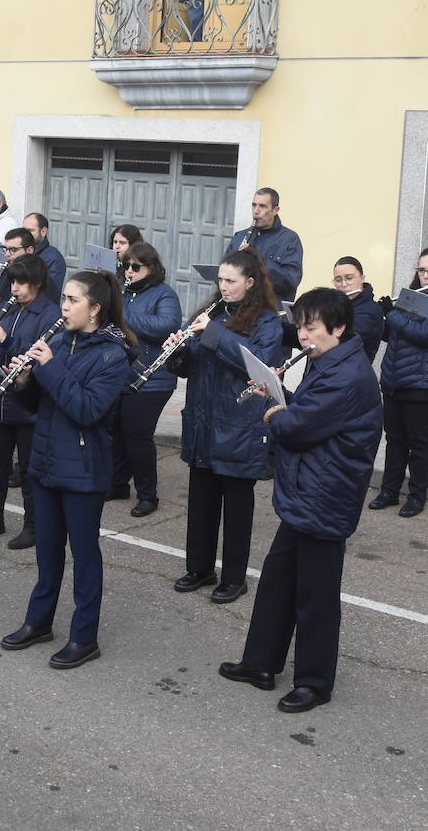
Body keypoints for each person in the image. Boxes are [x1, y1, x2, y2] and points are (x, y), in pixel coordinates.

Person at [219, 287, 383, 714]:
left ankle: (315, 682)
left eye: (311, 328)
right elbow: (309, 414)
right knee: (277, 583)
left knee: (315, 596)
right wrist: (277, 395)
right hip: (309, 491)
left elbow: (297, 427)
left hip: (326, 495)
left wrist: (275, 412)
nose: (303, 335)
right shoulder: (328, 360)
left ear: (339, 328)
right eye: (302, 326)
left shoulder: (346, 375)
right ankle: (260, 663)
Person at [0, 270, 132, 670]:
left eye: (73, 300)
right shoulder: (59, 339)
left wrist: (50, 368)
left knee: (85, 555)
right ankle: (38, 622)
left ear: (95, 309)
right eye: (64, 299)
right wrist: (23, 378)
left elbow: (87, 410)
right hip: (46, 459)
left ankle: (84, 636)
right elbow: (43, 400)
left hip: (84, 469)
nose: (64, 307)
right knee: (47, 550)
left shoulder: (113, 356)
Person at [168, 250, 283, 602]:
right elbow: (191, 367)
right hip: (203, 422)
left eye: (230, 281)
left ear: (250, 283)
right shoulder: (212, 314)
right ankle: (199, 568)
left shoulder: (267, 322)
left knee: (236, 511)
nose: (223, 286)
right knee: (201, 505)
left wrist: (213, 333)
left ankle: (234, 578)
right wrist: (177, 352)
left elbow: (256, 363)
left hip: (239, 425)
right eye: (220, 280)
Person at [370, 246, 428, 518]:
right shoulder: (410, 299)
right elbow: (395, 335)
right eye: (422, 270)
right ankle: (389, 491)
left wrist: (394, 315)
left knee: (420, 442)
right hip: (396, 378)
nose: (425, 275)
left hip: (427, 384)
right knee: (396, 439)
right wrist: (381, 316)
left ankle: (417, 495)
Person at [0, 255, 60, 549]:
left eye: (21, 283)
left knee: (28, 470)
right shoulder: (5, 307)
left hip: (28, 406)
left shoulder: (50, 315)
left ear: (36, 283)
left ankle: (33, 526)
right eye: (12, 281)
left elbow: (38, 357)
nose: (15, 288)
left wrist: (7, 340)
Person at [110, 242, 182, 518]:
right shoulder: (124, 292)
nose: (129, 270)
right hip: (123, 372)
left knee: (137, 434)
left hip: (154, 376)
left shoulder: (165, 294)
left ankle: (148, 495)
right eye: (126, 265)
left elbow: (166, 326)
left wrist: (122, 315)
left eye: (135, 266)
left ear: (151, 268)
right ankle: (117, 484)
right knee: (116, 429)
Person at [224, 187, 303, 304]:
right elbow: (224, 273)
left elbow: (290, 282)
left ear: (275, 210)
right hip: (239, 310)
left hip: (269, 312)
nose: (256, 211)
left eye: (262, 206)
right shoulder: (240, 236)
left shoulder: (290, 239)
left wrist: (258, 260)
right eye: (254, 205)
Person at [331, 256, 384, 361]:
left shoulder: (371, 311)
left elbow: (342, 344)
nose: (344, 284)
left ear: (362, 278)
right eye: (338, 280)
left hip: (349, 373)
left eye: (349, 278)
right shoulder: (336, 306)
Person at [21, 212, 67, 297]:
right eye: (23, 231)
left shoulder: (54, 258)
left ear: (43, 231)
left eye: (30, 231)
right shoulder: (21, 252)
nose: (25, 235)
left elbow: (52, 293)